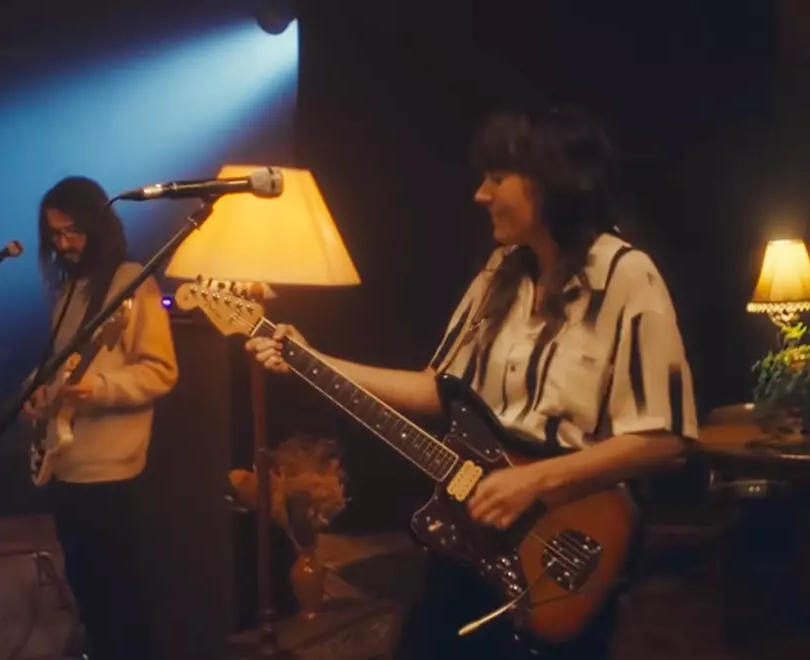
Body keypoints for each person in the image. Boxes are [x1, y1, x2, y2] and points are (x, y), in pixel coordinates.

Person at [244, 106, 698, 659]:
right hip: (474, 530)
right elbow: (437, 389)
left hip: (565, 539)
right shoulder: (500, 271)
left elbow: (665, 438)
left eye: (497, 178)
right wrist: (311, 359)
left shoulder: (626, 275)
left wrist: (535, 482)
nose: (481, 195)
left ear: (551, 181)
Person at [21, 176, 179, 660]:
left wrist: (99, 387)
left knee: (123, 598)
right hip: (66, 463)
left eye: (71, 231)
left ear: (97, 225)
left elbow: (160, 372)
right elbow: (58, 364)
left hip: (112, 471)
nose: (63, 244)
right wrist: (36, 390)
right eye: (54, 234)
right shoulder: (70, 290)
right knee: (87, 591)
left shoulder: (132, 281)